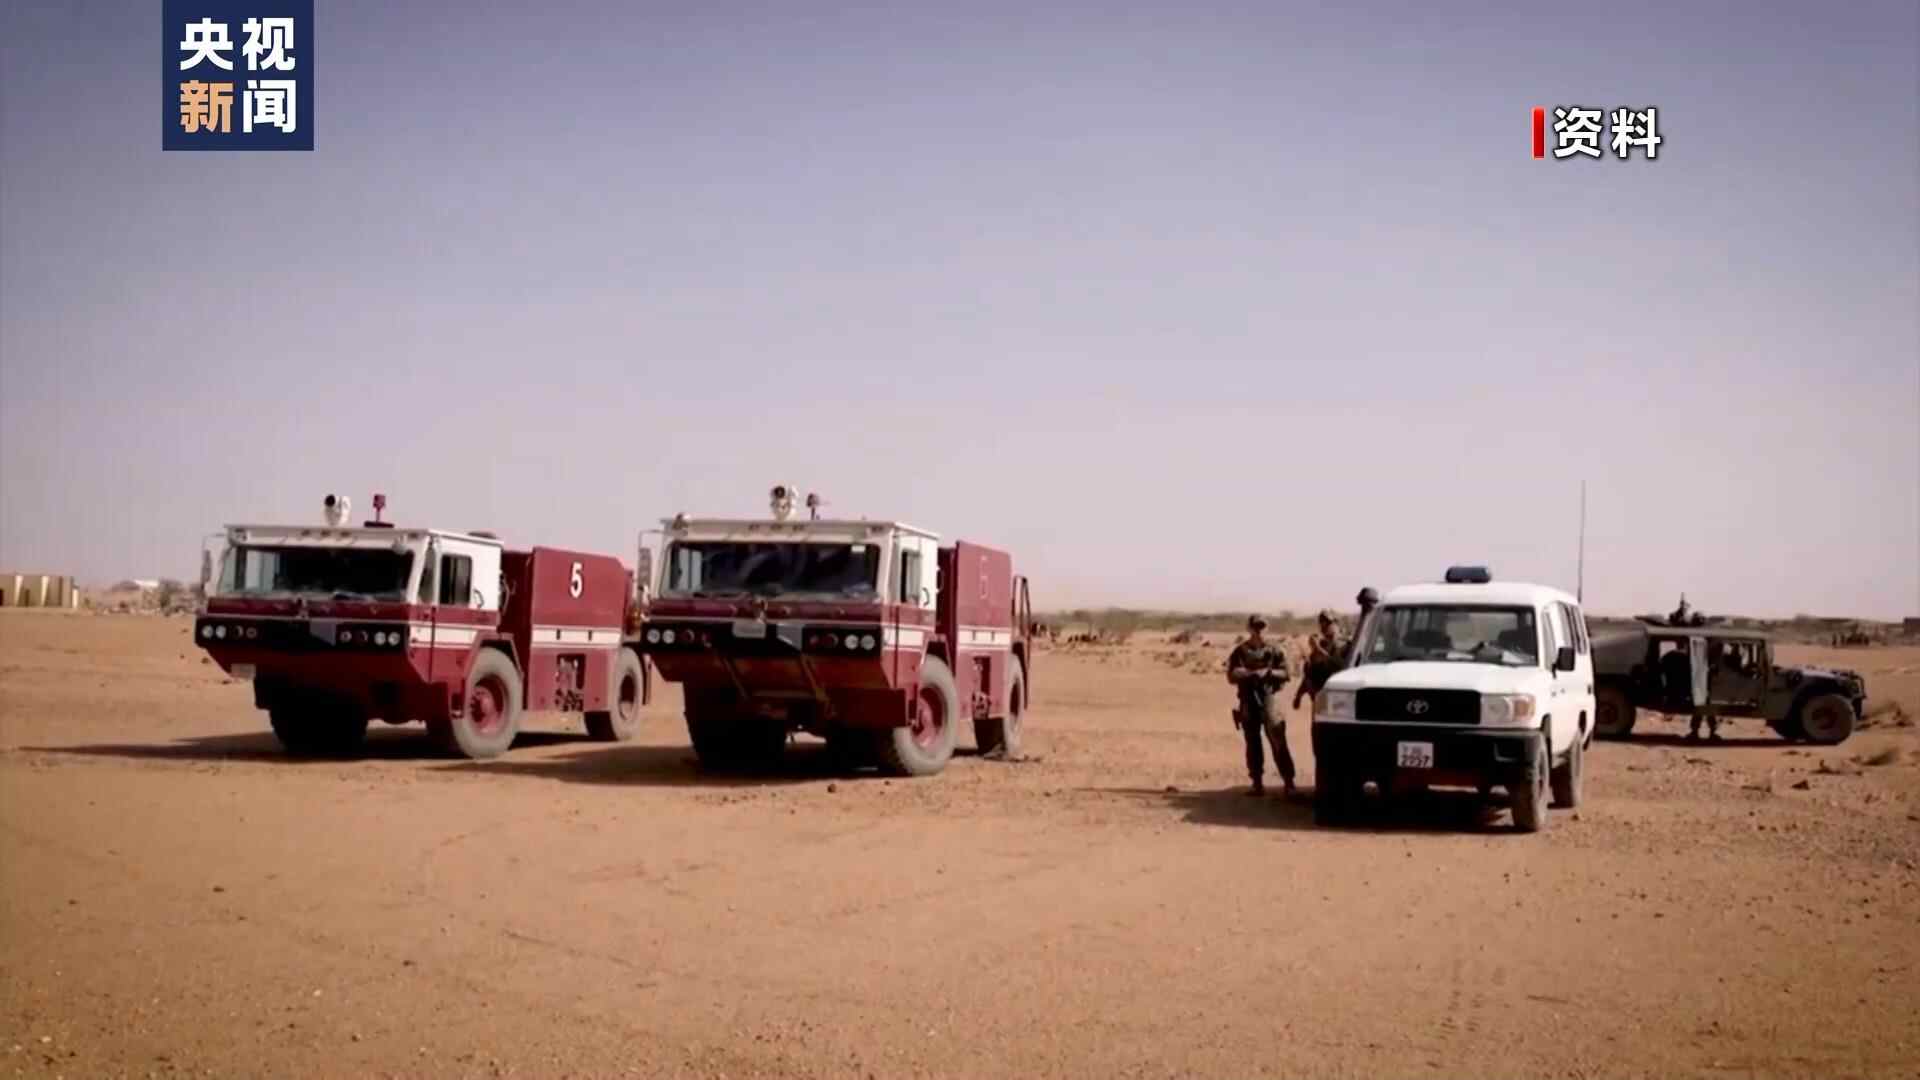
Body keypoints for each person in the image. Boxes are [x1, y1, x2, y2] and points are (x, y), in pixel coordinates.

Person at [1227, 614, 1295, 797]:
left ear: (1267, 628)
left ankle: (1289, 783)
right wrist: (1250, 674)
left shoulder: (1275, 650)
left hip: (1269, 698)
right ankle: (1257, 783)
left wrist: (1269, 673)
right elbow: (1231, 675)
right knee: (1252, 742)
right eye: (1255, 627)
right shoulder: (1241, 651)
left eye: (1262, 627)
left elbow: (1288, 672)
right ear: (1249, 628)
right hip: (1248, 699)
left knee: (1278, 740)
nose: (1259, 631)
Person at [1294, 610, 1343, 711]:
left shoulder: (1344, 645)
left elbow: (1337, 666)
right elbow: (1309, 673)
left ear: (1336, 624)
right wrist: (1299, 695)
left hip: (1337, 700)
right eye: (1322, 623)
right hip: (1319, 700)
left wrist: (1318, 649)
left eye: (1328, 623)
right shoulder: (1322, 644)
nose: (1324, 627)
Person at [1342, 587, 1379, 667]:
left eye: (1368, 603)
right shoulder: (1362, 620)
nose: (1365, 606)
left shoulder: (1379, 623)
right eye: (1363, 604)